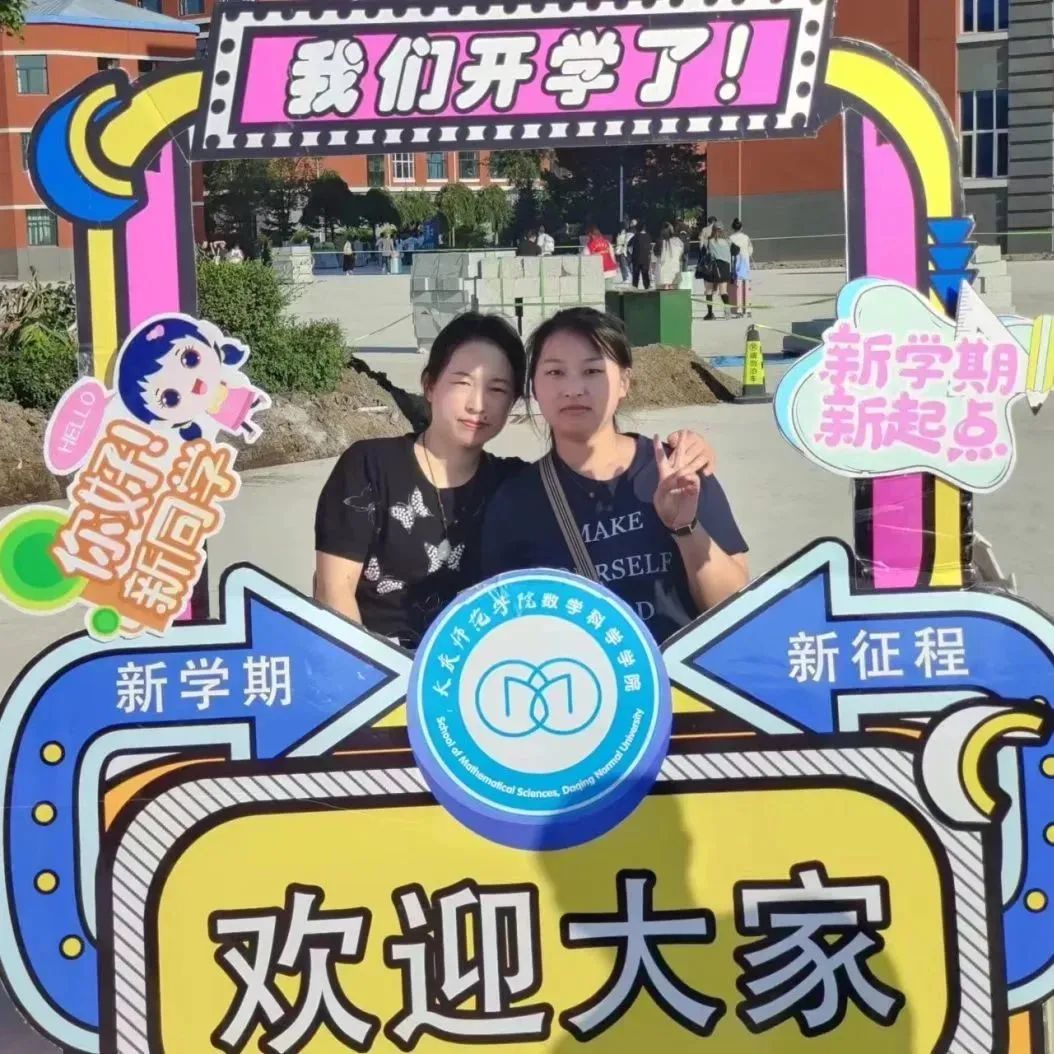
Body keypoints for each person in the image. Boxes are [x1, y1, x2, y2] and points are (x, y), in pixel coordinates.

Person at [314, 313, 719, 649]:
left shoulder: (512, 483)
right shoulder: (371, 465)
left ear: (513, 403)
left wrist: (687, 446)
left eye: (498, 389)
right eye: (462, 383)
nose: (478, 404)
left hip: (473, 679)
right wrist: (368, 680)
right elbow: (333, 590)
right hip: (381, 674)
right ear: (430, 385)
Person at [480, 307, 748, 642]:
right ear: (533, 387)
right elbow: (503, 630)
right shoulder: (516, 502)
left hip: (678, 673)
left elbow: (736, 607)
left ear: (624, 382)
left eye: (592, 371)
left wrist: (685, 528)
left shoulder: (678, 469)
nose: (573, 388)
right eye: (555, 372)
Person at [115, 314, 270, 444]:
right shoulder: (197, 415)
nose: (193, 386)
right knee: (234, 419)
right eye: (170, 398)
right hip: (217, 411)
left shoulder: (221, 376)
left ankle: (256, 402)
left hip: (227, 393)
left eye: (191, 359)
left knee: (241, 401)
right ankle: (250, 425)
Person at [703, 223, 733, 320]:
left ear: (713, 230)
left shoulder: (709, 241)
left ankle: (710, 313)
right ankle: (727, 312)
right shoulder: (728, 241)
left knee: (709, 290)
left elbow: (704, 252)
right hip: (725, 267)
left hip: (712, 266)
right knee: (723, 291)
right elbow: (736, 251)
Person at [730, 217, 753, 318]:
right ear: (741, 228)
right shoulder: (746, 237)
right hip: (745, 263)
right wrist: (747, 254)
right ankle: (748, 309)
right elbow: (750, 249)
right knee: (747, 286)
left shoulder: (730, 238)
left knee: (737, 287)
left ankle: (738, 310)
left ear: (732, 228)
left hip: (736, 264)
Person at [655, 222, 685, 289]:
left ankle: (666, 286)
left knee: (665, 279)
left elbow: (656, 253)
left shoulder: (660, 241)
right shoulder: (677, 241)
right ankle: (670, 286)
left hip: (663, 265)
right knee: (672, 280)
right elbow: (681, 251)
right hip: (674, 264)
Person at [629, 223, 653, 290]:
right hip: (645, 259)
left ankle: (635, 288)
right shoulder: (648, 236)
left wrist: (632, 254)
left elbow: (629, 245)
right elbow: (650, 247)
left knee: (636, 275)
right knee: (645, 274)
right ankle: (647, 288)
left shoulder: (636, 236)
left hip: (636, 259)